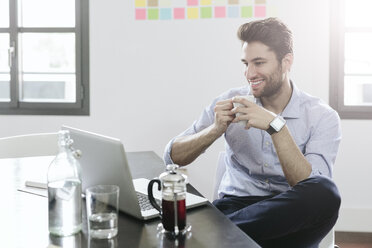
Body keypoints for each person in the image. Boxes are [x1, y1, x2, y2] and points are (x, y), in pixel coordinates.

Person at [163, 17, 341, 248]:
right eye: (246, 63)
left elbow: (311, 187)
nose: (249, 73)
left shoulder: (322, 116)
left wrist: (276, 127)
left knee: (327, 193)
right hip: (237, 207)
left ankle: (206, 237)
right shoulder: (229, 102)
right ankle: (216, 237)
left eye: (259, 63)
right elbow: (172, 157)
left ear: (287, 62)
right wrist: (215, 130)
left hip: (292, 214)